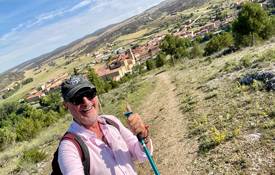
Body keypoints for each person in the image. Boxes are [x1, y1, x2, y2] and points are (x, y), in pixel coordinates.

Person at [59, 74, 153, 175]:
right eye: (77, 99)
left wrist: (143, 135)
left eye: (89, 94)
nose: (86, 102)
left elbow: (141, 153)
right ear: (66, 106)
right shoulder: (69, 148)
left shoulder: (111, 121)